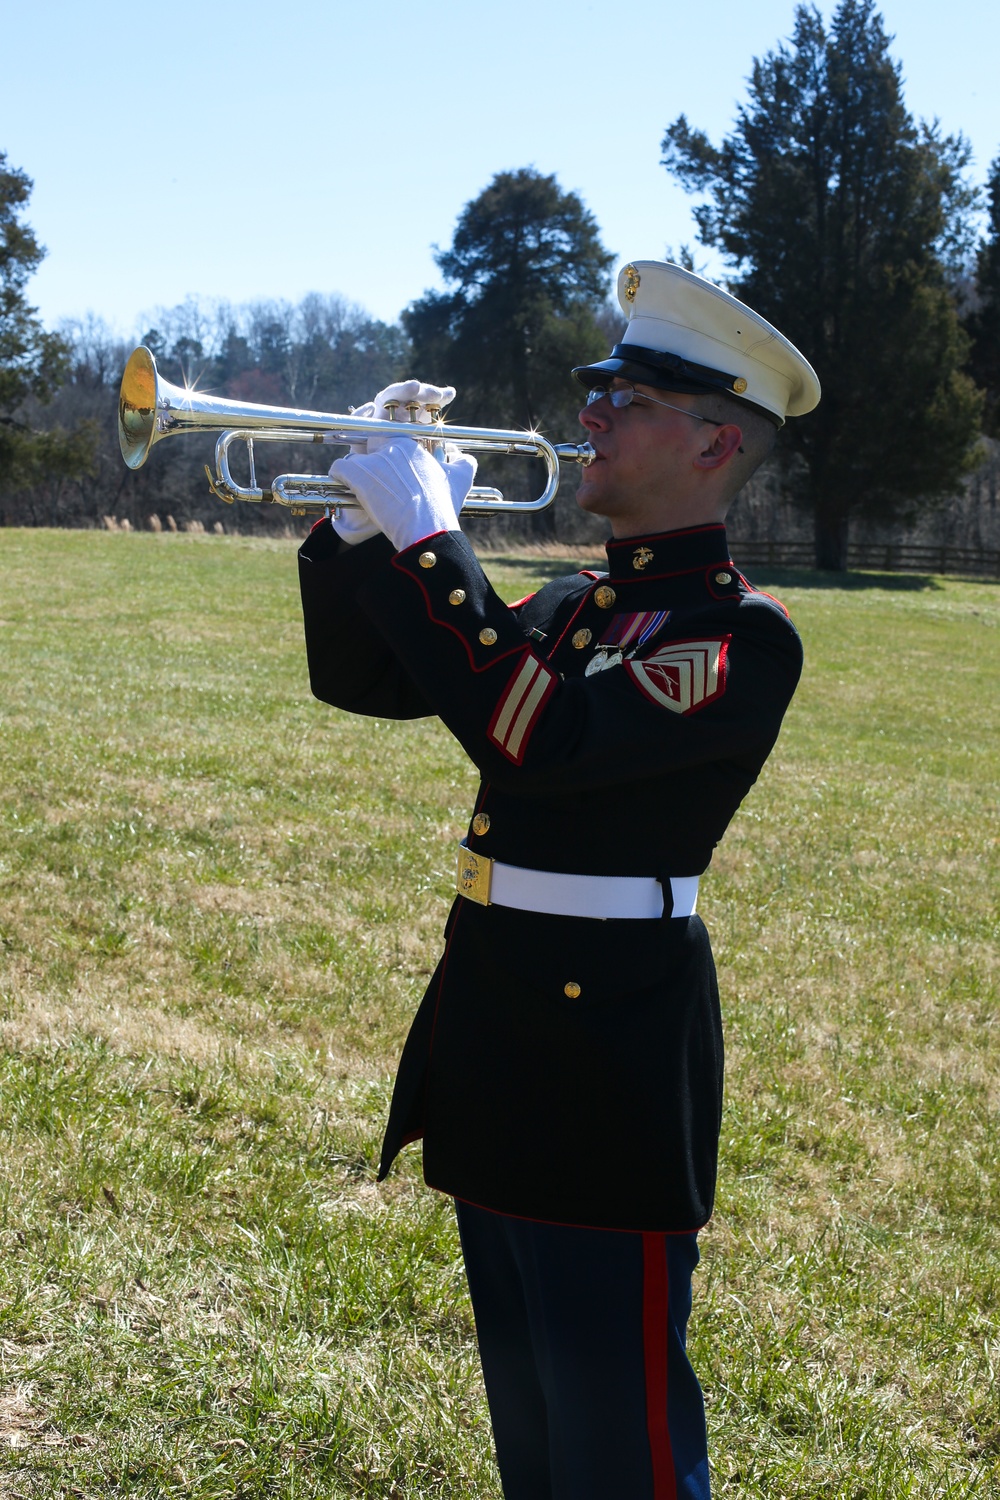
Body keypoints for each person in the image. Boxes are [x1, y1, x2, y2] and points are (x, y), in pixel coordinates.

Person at [297, 260, 820, 1499]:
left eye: (625, 399)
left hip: (612, 1058)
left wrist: (435, 545)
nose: (589, 414)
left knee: (618, 1446)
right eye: (597, 391)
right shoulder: (579, 603)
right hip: (503, 1022)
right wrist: (362, 533)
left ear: (709, 444)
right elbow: (366, 681)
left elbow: (533, 741)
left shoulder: (737, 635)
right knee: (532, 1437)